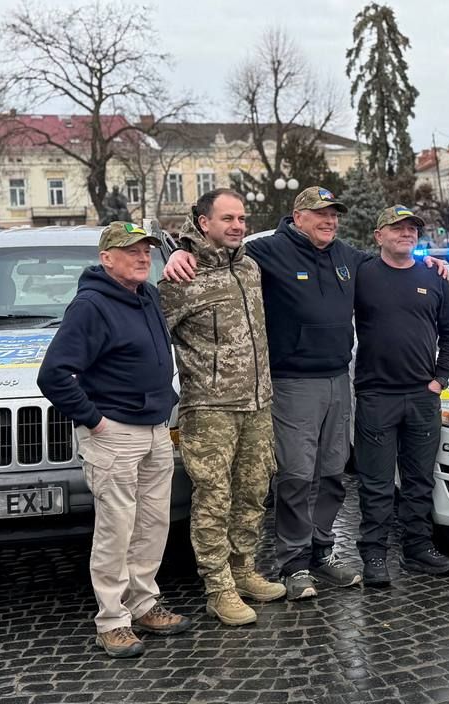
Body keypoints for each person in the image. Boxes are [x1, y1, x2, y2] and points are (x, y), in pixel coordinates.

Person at [163, 186, 448, 600]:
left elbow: (392, 261)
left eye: (333, 216)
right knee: (296, 475)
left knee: (333, 473)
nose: (329, 222)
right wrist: (181, 251)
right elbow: (220, 252)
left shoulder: (347, 257)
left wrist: (427, 263)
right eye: (320, 215)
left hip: (337, 380)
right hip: (292, 383)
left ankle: (321, 550)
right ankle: (293, 562)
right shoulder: (267, 252)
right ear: (298, 217)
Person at [38, 221, 189, 659]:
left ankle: (143, 604)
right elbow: (53, 375)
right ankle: (111, 620)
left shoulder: (147, 296)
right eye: (131, 251)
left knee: (152, 525)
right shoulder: (91, 306)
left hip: (156, 429)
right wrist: (95, 421)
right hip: (115, 434)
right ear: (106, 259)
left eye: (147, 250)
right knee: (116, 530)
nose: (143, 257)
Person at [159, 189, 286, 626]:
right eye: (227, 218)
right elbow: (151, 333)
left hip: (257, 403)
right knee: (214, 498)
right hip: (210, 409)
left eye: (242, 218)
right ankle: (219, 589)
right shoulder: (180, 276)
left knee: (252, 492)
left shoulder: (250, 267)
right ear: (202, 223)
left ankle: (243, 569)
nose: (237, 225)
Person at [353, 206, 449, 586]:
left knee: (419, 480)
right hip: (376, 396)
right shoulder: (361, 273)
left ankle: (418, 548)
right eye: (397, 228)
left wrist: (440, 379)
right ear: (378, 235)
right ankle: (374, 555)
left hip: (422, 396)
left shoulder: (433, 276)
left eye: (412, 228)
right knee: (376, 483)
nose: (407, 233)